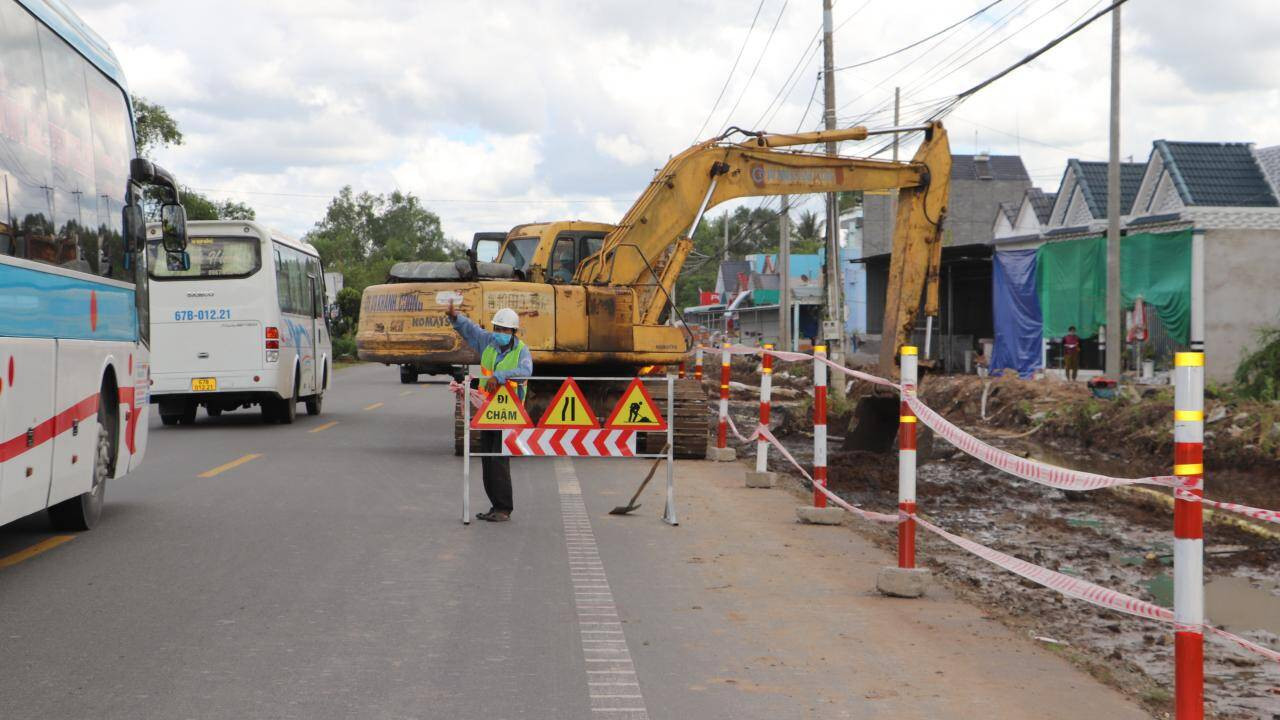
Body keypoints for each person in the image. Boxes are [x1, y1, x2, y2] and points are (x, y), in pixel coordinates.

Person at [446, 301, 532, 522]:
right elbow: (471, 330)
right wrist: (455, 316)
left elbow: (525, 371)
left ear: (513, 332)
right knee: (487, 459)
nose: (500, 333)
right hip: (488, 410)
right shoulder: (488, 342)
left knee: (499, 459)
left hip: (508, 412)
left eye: (505, 330)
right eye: (498, 328)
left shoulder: (521, 350)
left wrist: (499, 376)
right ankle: (495, 506)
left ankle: (504, 509)